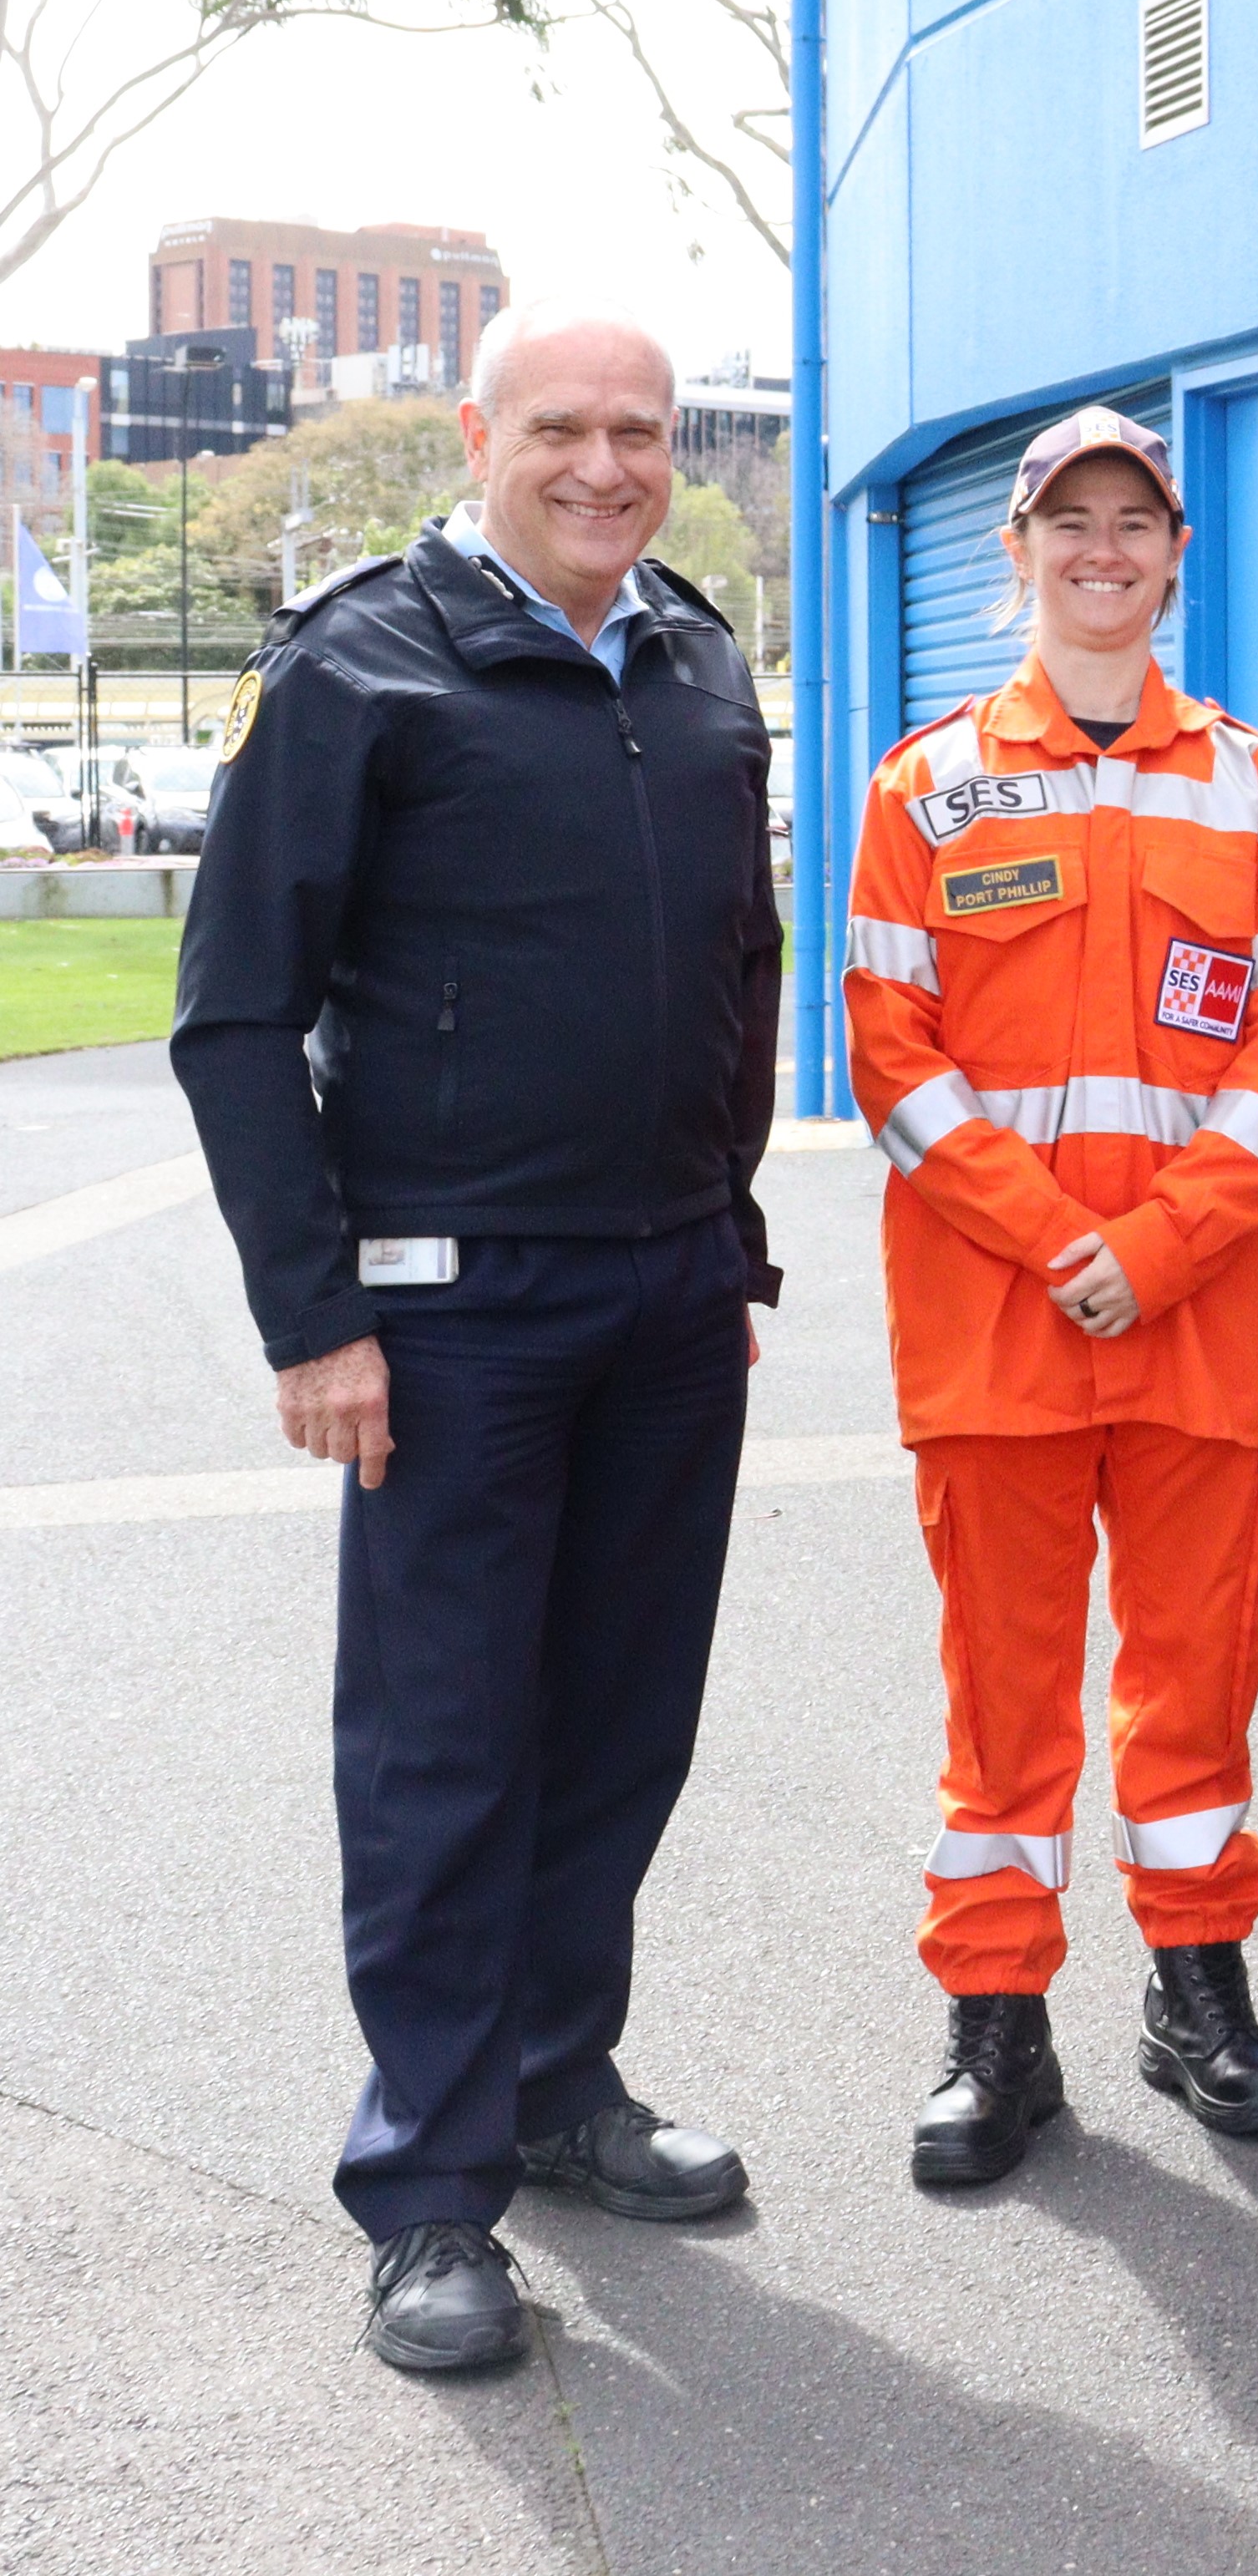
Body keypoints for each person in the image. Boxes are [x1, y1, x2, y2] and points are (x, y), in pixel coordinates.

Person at [170, 298, 778, 2377]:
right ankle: (428, 2189)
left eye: (642, 429)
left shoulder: (699, 661)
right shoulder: (353, 664)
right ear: (477, 429)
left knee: (621, 1720)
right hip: (446, 1313)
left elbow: (736, 961)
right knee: (447, 1749)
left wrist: (732, 1232)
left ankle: (554, 2076)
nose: (607, 464)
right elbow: (235, 1012)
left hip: (673, 1295)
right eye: (563, 429)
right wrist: (314, 1314)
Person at [845, 407, 1258, 2178]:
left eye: (1135, 521)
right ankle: (996, 2021)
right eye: (1070, 522)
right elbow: (887, 1053)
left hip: (1194, 1317)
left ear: (1172, 551)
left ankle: (1193, 1980)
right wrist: (1060, 1240)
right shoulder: (927, 785)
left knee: (1196, 1674)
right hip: (999, 1318)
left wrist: (1154, 1248)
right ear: (1021, 551)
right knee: (1004, 1688)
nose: (1102, 550)